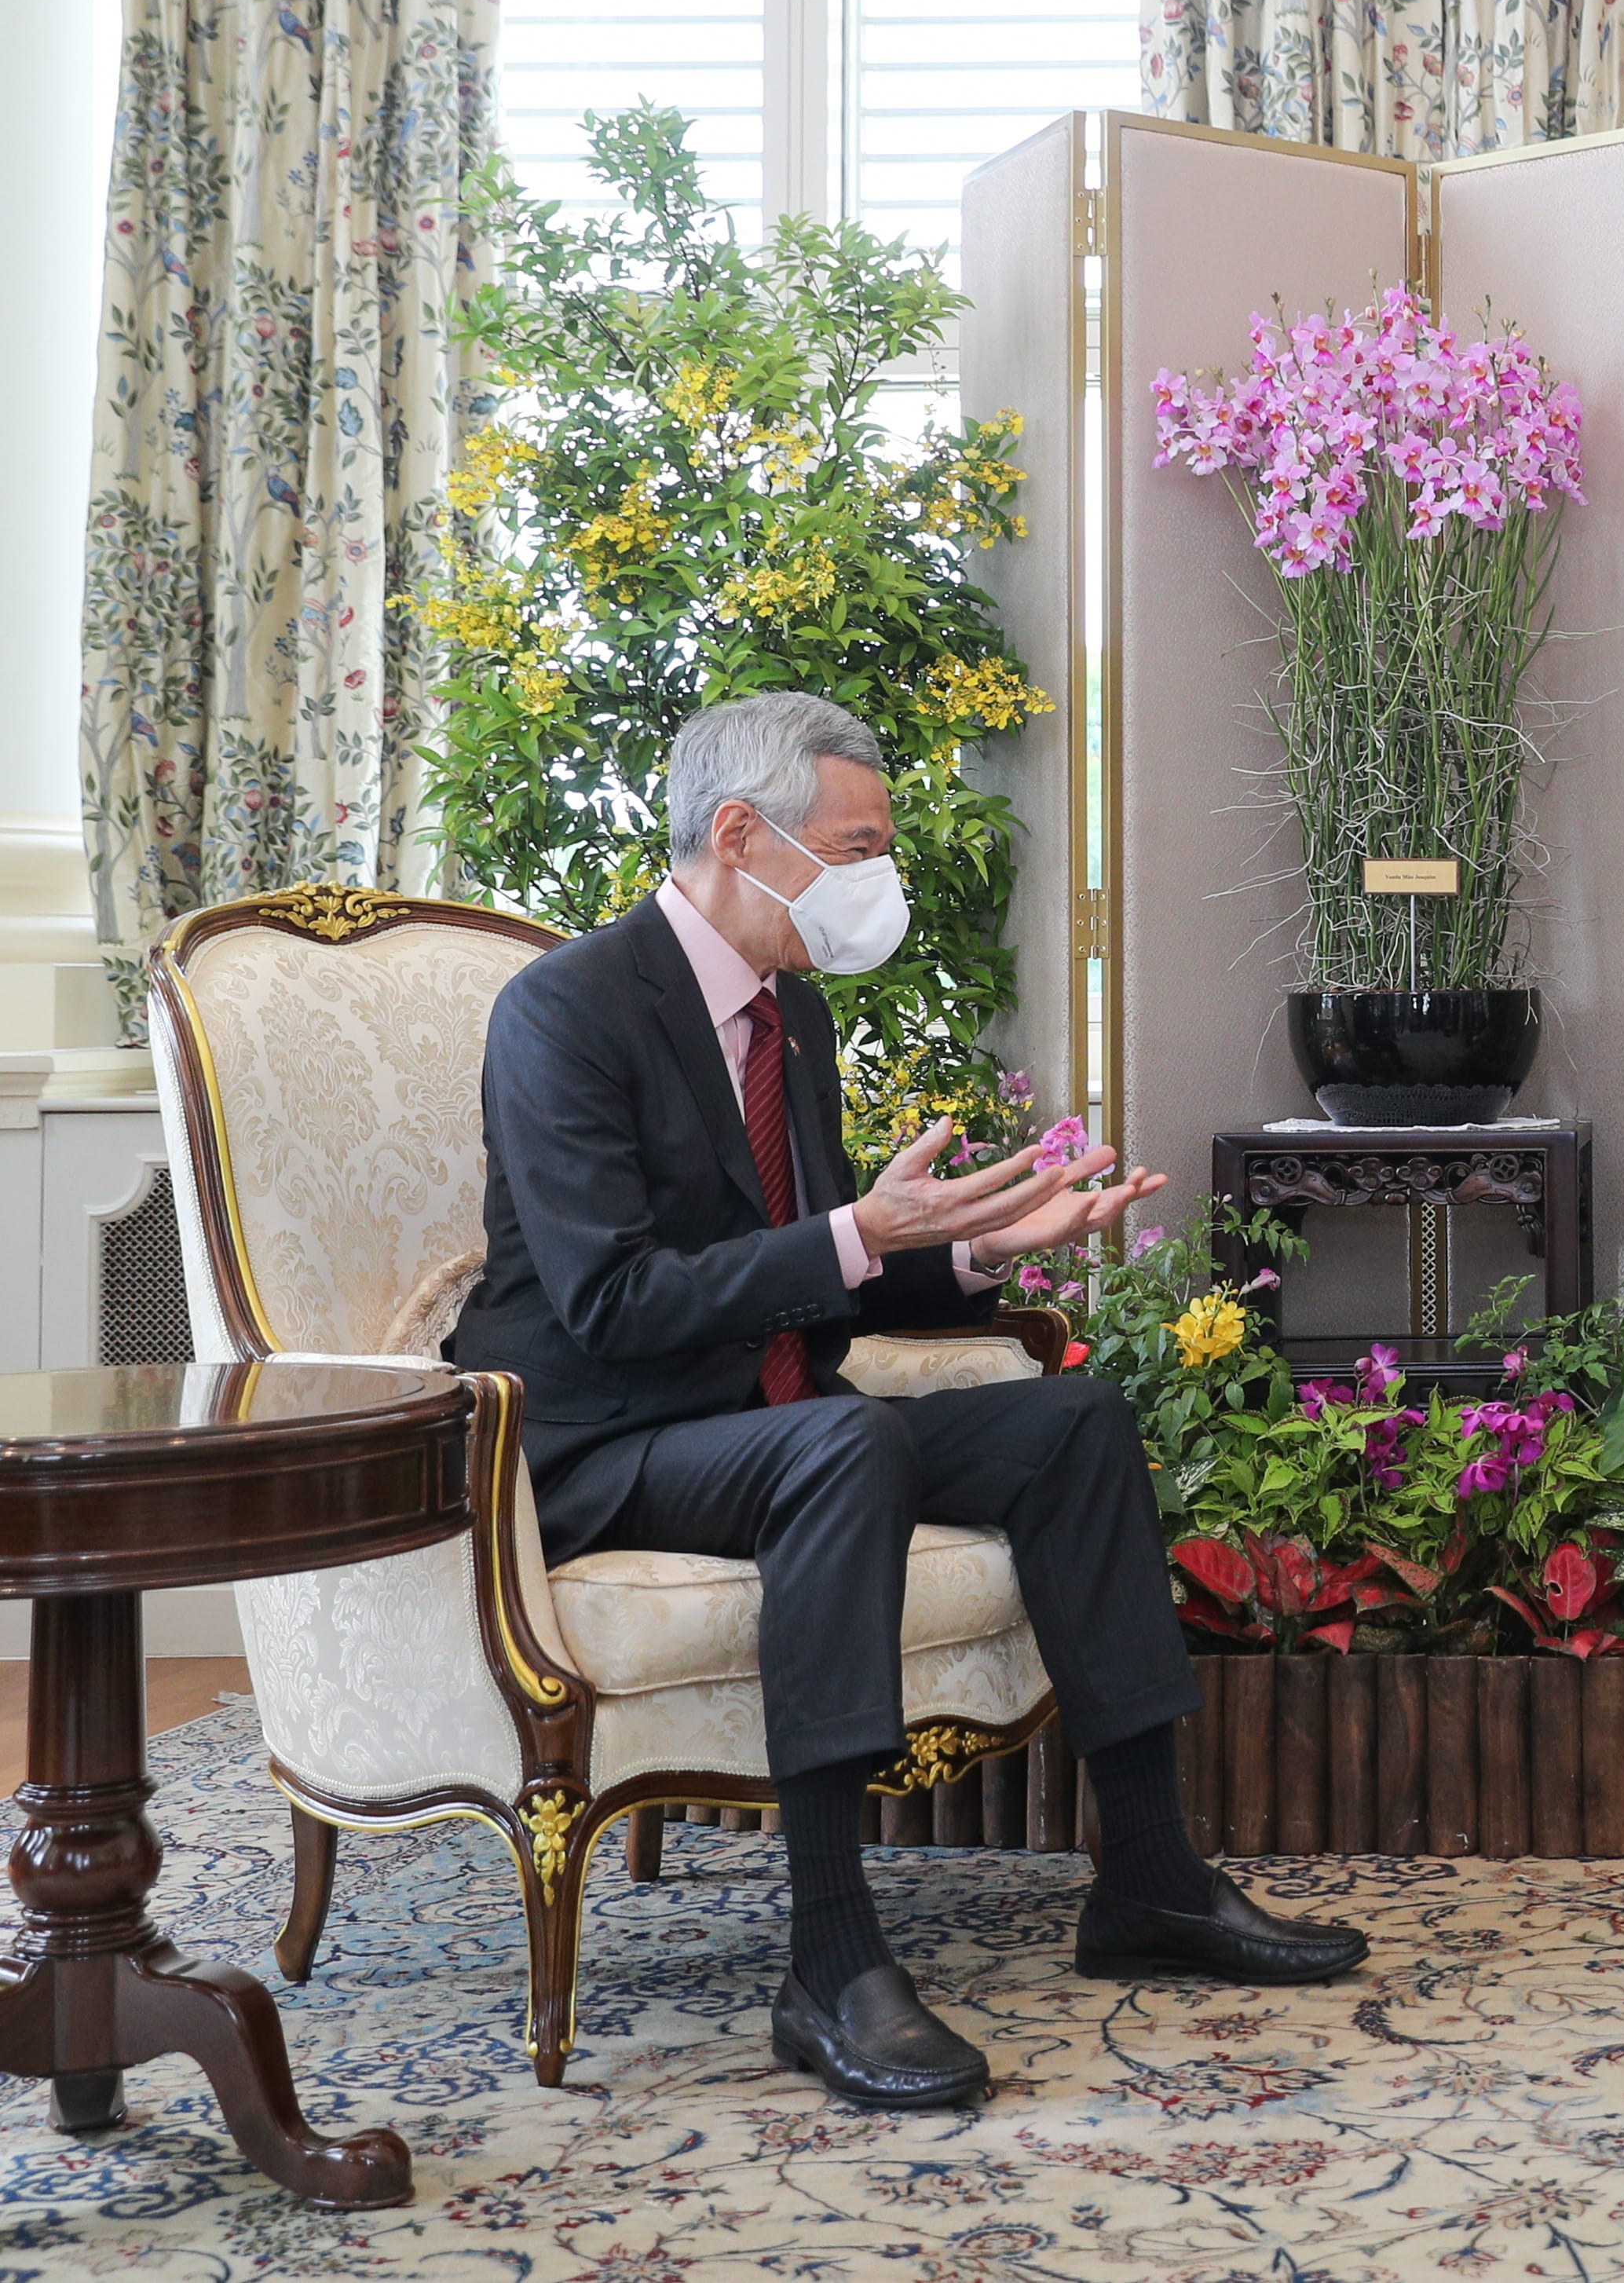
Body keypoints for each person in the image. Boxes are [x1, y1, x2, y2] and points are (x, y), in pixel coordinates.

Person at [452, 692, 1367, 2109]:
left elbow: (826, 1277)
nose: (880, 877)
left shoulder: (790, 1015)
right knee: (845, 1440)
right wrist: (858, 1234)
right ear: (741, 834)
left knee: (1073, 1421)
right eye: (858, 847)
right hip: (603, 1443)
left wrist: (986, 1251)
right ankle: (829, 1958)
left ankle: (1150, 1877)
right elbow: (611, 1302)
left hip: (770, 1424)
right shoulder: (567, 1009)